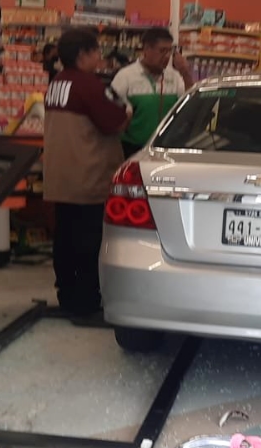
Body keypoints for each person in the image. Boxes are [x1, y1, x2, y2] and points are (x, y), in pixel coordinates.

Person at [42, 29, 130, 322]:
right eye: (95, 52)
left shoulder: (57, 82)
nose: (99, 57)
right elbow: (113, 122)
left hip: (61, 176)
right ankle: (86, 301)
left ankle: (67, 295)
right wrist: (127, 113)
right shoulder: (89, 86)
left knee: (64, 239)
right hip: (88, 175)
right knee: (88, 241)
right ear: (83, 55)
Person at [111, 27, 195, 158]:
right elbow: (112, 113)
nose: (167, 56)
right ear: (146, 49)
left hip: (166, 149)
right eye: (162, 51)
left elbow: (191, 103)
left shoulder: (175, 77)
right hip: (131, 149)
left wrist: (185, 72)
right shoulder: (125, 76)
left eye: (170, 51)